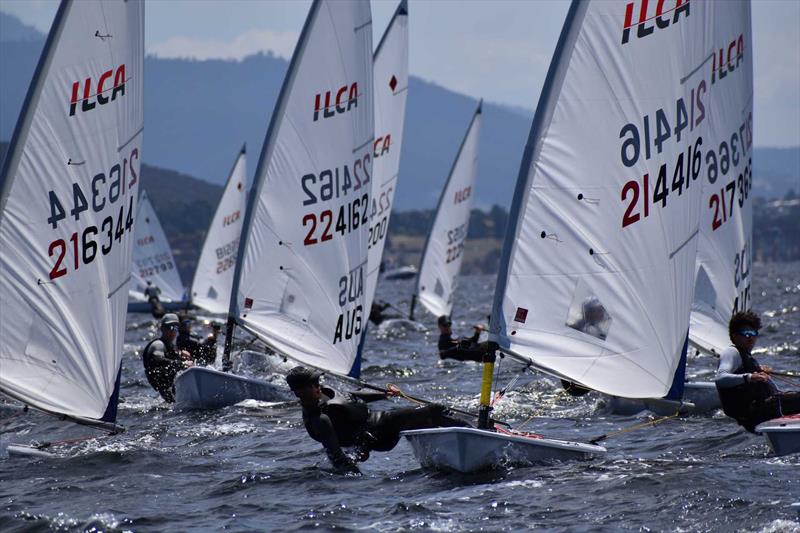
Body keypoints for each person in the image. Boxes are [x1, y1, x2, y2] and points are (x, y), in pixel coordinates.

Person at [286, 366, 470, 474]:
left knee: (426, 419)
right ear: (300, 392)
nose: (318, 386)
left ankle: (459, 447)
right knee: (436, 411)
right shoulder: (320, 420)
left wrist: (383, 394)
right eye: (313, 385)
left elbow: (352, 397)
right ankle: (478, 434)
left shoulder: (323, 394)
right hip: (378, 431)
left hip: (377, 425)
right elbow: (337, 458)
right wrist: (358, 480)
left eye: (317, 382)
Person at [715, 311, 800, 432]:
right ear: (734, 335)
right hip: (757, 412)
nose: (750, 337)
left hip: (763, 411)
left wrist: (758, 370)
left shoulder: (744, 356)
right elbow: (720, 379)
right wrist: (749, 377)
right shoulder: (731, 352)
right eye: (745, 333)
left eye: (753, 333)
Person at [141, 313, 194, 402]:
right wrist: (182, 363)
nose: (173, 331)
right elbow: (157, 359)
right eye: (170, 327)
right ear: (162, 329)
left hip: (173, 388)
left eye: (176, 328)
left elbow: (171, 356)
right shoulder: (158, 344)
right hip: (166, 388)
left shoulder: (170, 346)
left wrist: (180, 354)